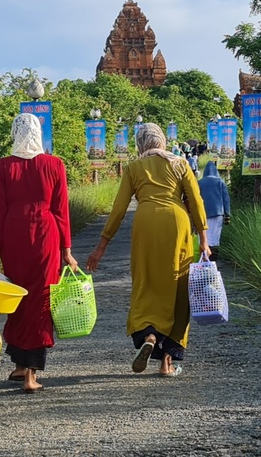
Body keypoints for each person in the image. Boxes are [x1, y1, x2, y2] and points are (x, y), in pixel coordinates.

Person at [86, 123, 210, 377]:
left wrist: (102, 245)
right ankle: (167, 362)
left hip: (145, 223)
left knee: (146, 283)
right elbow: (196, 201)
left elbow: (119, 207)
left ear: (140, 143)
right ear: (162, 141)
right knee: (178, 288)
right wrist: (205, 239)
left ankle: (149, 335)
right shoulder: (180, 164)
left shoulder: (133, 167)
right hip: (177, 224)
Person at [0, 113, 78, 393]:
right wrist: (67, 251)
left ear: (15, 133)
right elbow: (61, 211)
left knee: (17, 297)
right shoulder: (54, 164)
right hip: (46, 238)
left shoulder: (3, 166)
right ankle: (30, 374)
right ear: (39, 134)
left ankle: (20, 365)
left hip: (14, 236)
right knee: (40, 301)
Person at [197, 161, 231, 262]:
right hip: (218, 213)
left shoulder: (200, 182)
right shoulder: (220, 181)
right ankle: (213, 261)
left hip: (204, 213)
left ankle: (203, 260)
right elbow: (226, 199)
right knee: (215, 239)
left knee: (204, 238)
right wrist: (227, 214)